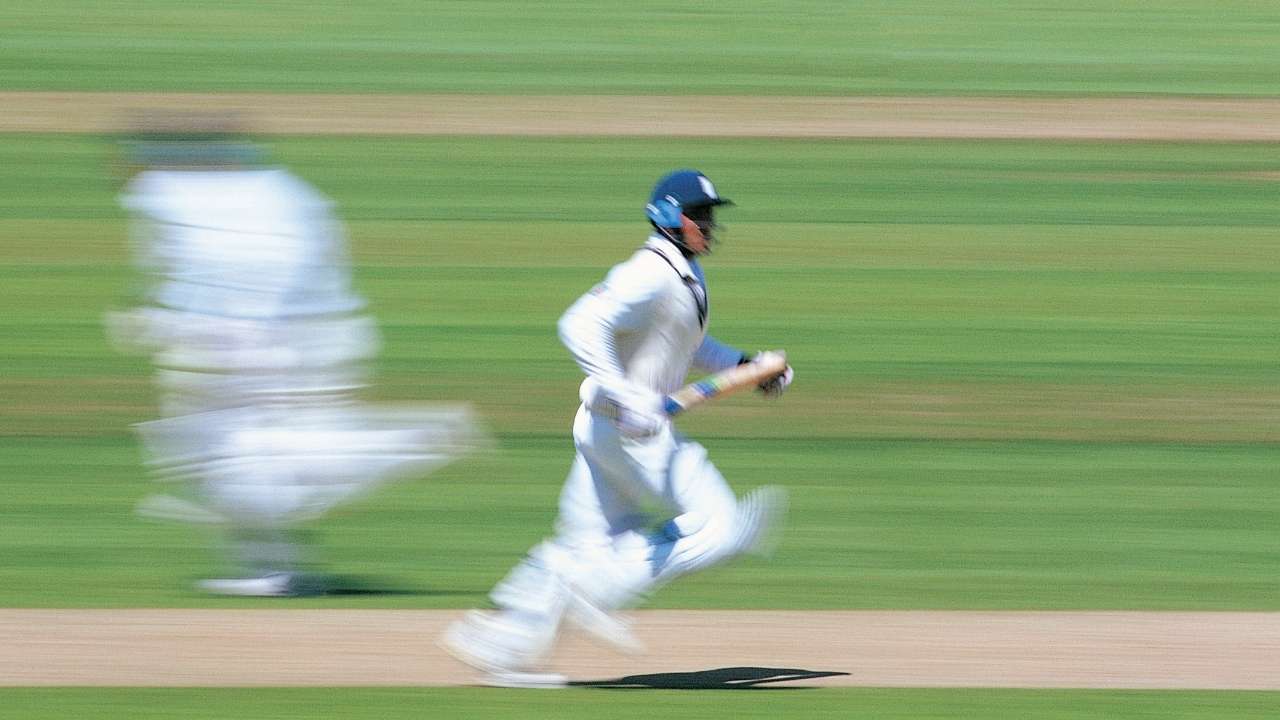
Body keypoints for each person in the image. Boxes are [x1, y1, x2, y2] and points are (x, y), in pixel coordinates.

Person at [443, 169, 793, 686]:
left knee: (581, 547)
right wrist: (630, 396)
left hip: (607, 429)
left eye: (711, 216)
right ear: (671, 218)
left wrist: (747, 365)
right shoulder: (648, 272)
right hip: (633, 435)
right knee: (725, 528)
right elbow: (579, 324)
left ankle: (499, 646)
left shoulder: (684, 273)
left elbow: (686, 344)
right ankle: (595, 589)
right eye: (701, 215)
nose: (709, 225)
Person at [107, 121, 481, 596]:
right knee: (224, 451)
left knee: (231, 453)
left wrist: (178, 323)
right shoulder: (280, 189)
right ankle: (274, 565)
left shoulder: (168, 191)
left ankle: (411, 440)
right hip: (309, 331)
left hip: (269, 339)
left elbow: (204, 267)